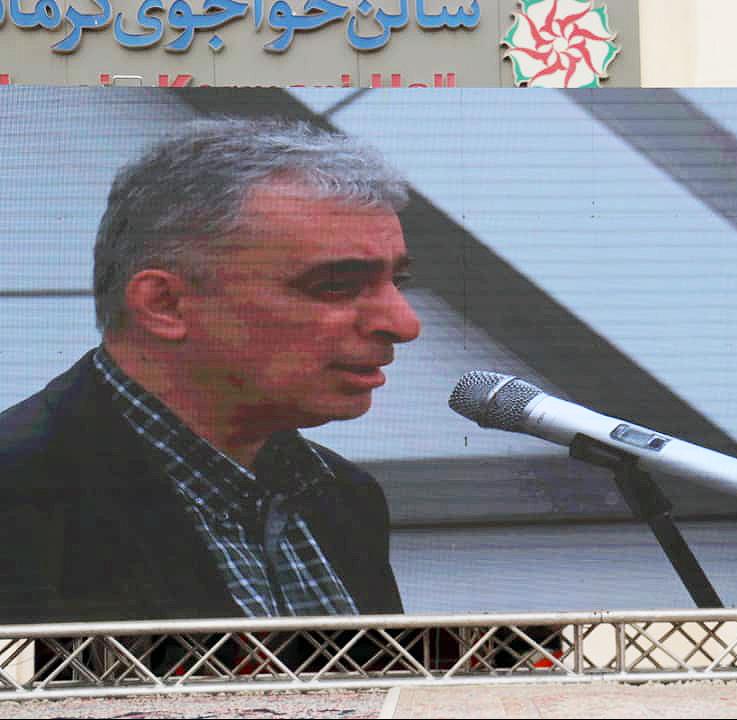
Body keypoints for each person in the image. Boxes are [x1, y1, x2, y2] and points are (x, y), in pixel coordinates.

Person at [0, 118, 421, 623]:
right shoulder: (20, 497)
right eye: (335, 285)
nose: (404, 324)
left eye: (398, 282)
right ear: (165, 304)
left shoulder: (345, 498)